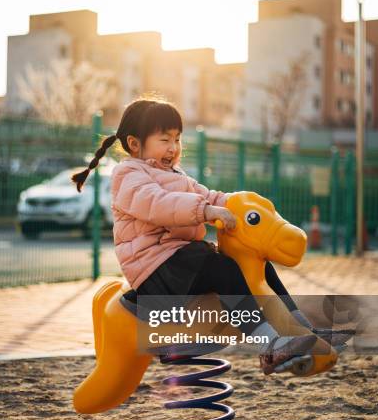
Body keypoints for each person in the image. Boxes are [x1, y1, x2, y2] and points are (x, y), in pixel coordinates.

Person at [71, 97, 316, 374]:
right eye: (164, 140)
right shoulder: (128, 175)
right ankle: (269, 345)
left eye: (177, 139)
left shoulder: (177, 175)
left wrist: (238, 204)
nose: (173, 148)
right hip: (156, 270)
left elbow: (209, 196)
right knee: (220, 266)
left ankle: (300, 325)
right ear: (135, 144)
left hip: (180, 259)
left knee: (257, 262)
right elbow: (158, 204)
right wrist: (206, 211)